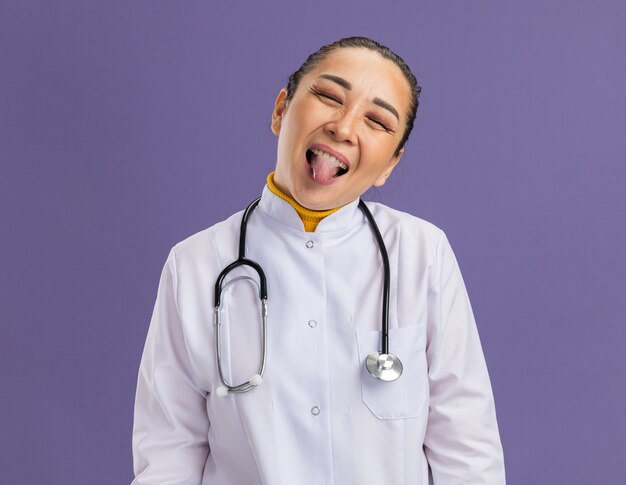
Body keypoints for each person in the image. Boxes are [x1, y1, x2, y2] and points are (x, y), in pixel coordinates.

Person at [132, 36, 506, 484]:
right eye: (329, 97)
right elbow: (169, 453)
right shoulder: (194, 264)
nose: (344, 128)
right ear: (280, 109)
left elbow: (467, 449)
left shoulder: (422, 252)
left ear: (390, 164)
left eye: (377, 121)